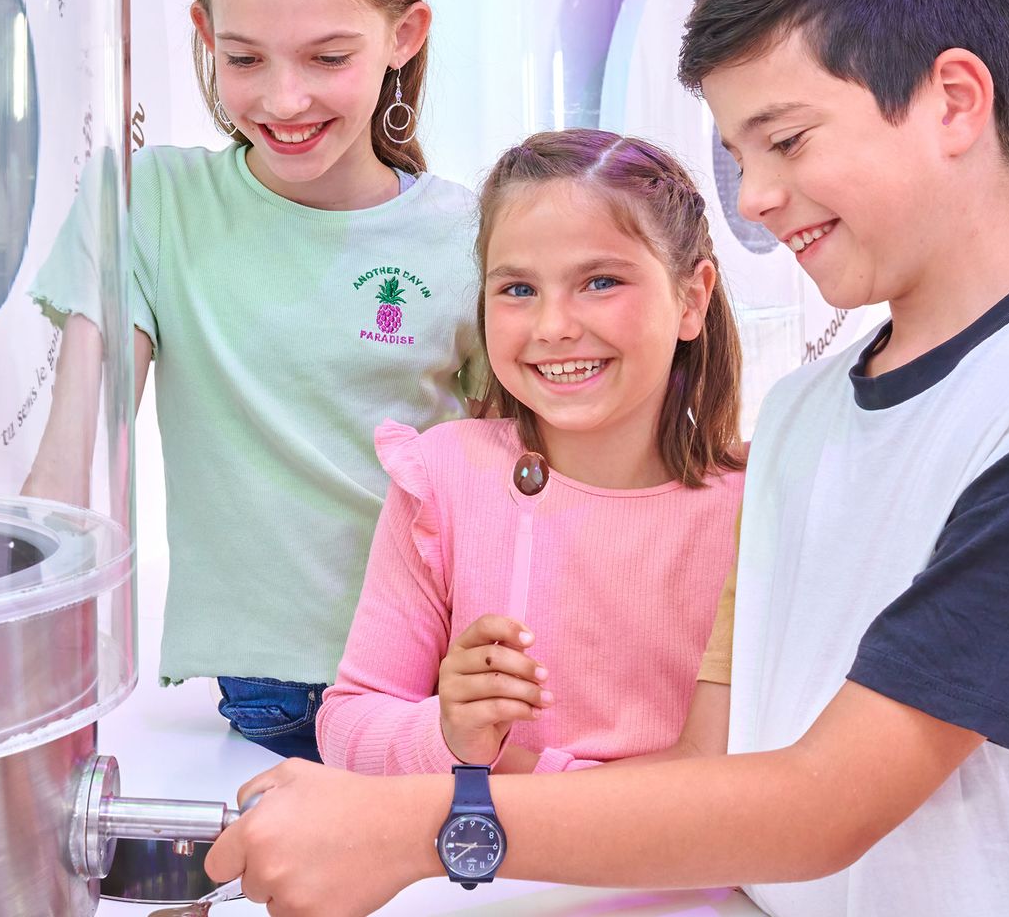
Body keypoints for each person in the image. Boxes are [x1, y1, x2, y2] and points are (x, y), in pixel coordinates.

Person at [204, 0, 1009, 917]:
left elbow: (824, 804)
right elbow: (708, 768)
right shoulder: (810, 415)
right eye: (739, 156)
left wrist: (427, 829)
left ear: (953, 101)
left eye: (788, 140)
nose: (758, 198)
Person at [25, 0, 483, 762]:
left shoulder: (470, 235)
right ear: (203, 35)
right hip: (278, 690)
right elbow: (66, 466)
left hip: (446, 673)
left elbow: (518, 473)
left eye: (328, 57)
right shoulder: (150, 203)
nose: (283, 99)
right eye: (243, 59)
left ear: (404, 35)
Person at [316, 130, 743, 779]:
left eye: (600, 282)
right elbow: (349, 725)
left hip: (686, 877)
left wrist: (547, 780)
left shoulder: (754, 509)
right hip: (484, 878)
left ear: (692, 297)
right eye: (517, 290)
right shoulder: (443, 478)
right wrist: (450, 731)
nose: (553, 327)